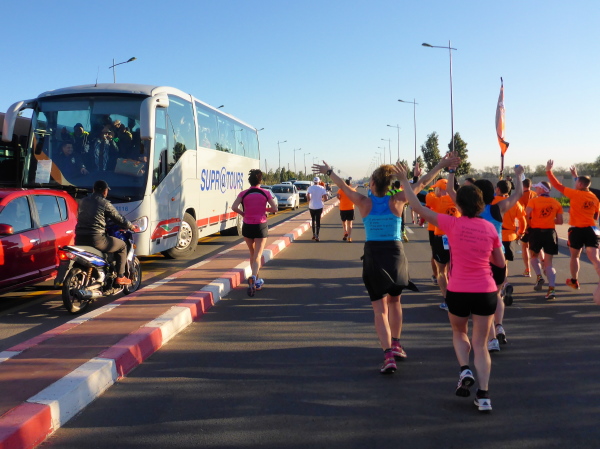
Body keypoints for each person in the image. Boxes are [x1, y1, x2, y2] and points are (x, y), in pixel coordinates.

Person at [313, 155, 458, 374]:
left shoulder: (364, 202)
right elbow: (423, 183)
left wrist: (329, 171)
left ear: (372, 183)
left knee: (379, 309)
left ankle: (388, 354)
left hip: (374, 255)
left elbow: (342, 186)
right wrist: (441, 165)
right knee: (395, 302)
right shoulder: (398, 200)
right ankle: (396, 344)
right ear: (389, 184)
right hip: (395, 254)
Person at [397, 162, 504, 412]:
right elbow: (499, 263)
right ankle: (484, 396)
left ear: (459, 205)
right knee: (481, 344)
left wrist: (405, 181)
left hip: (458, 290)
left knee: (459, 332)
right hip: (486, 290)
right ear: (481, 204)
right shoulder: (489, 228)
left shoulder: (451, 223)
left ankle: (464, 369)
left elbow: (416, 206)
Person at [447, 164, 523, 352]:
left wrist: (451, 172)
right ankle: (499, 326)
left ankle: (492, 339)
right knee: (496, 295)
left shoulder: (469, 210)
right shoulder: (498, 208)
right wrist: (519, 176)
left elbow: (450, 191)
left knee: (483, 304)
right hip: (499, 258)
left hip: (478, 260)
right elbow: (518, 194)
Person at [546, 160, 600, 290]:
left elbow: (556, 185)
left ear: (580, 184)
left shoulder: (574, 194)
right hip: (592, 229)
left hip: (577, 229)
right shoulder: (594, 198)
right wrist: (575, 175)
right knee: (595, 258)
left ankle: (574, 281)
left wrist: (548, 170)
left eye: (576, 181)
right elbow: (596, 216)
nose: (574, 183)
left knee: (575, 256)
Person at [75, 180, 135, 285]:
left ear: (93, 190)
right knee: (122, 246)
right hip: (96, 239)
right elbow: (118, 218)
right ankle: (120, 276)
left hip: (79, 238)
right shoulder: (105, 203)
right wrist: (131, 226)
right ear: (105, 191)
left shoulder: (82, 201)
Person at [231, 169, 278, 296]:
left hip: (247, 226)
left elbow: (234, 207)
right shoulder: (265, 193)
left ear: (249, 181)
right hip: (260, 225)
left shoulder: (243, 193)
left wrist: (243, 213)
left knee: (252, 253)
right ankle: (253, 278)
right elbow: (275, 208)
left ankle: (256, 280)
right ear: (260, 180)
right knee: (258, 255)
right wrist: (264, 209)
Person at [525, 181, 563, 300]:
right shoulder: (556, 203)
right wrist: (549, 220)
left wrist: (528, 225)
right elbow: (560, 221)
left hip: (536, 232)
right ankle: (551, 289)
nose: (536, 190)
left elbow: (526, 214)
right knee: (549, 263)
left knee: (533, 256)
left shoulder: (533, 201)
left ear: (542, 190)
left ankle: (539, 276)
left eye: (537, 188)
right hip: (550, 233)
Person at [430, 178, 461, 311]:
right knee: (454, 269)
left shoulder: (435, 200)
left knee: (441, 271)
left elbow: (415, 199)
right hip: (457, 237)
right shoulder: (459, 201)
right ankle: (458, 296)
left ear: (439, 189)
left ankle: (448, 300)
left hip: (441, 237)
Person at [495, 180, 527, 305]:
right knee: (504, 264)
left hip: (495, 236)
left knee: (493, 264)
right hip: (509, 236)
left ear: (498, 189)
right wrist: (521, 233)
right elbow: (523, 221)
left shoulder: (492, 202)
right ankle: (504, 284)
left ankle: (503, 285)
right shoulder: (515, 203)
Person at [518, 178, 538, 277]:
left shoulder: (520, 196)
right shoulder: (535, 194)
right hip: (536, 224)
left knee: (524, 246)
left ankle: (527, 269)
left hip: (526, 224)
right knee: (536, 248)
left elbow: (521, 212)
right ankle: (541, 266)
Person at [307, 177, 329, 242]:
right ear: (319, 182)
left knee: (313, 219)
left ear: (313, 182)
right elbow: (326, 198)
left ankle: (313, 234)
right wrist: (322, 200)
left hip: (311, 206)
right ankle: (317, 235)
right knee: (318, 220)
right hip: (319, 206)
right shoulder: (322, 188)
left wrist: (309, 200)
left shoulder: (310, 188)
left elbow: (308, 195)